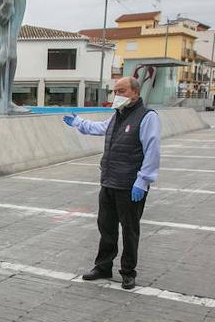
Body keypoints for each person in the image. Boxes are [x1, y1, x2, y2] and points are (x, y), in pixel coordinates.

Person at [62, 76, 161, 290]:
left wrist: (143, 181)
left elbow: (152, 150)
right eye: (115, 91)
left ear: (135, 93)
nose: (117, 95)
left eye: (122, 91)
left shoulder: (147, 117)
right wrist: (78, 122)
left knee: (129, 230)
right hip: (108, 182)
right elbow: (99, 128)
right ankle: (103, 266)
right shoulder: (118, 115)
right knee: (106, 227)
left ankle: (128, 271)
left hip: (129, 185)